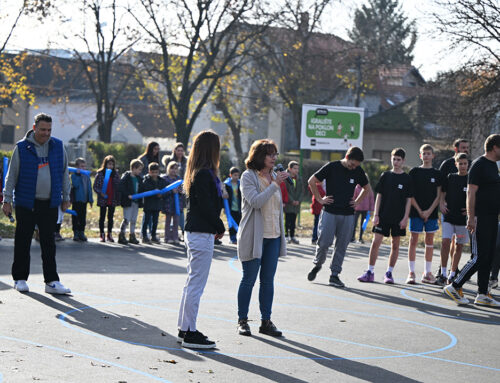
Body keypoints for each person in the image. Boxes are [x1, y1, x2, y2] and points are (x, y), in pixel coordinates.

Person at [2, 113, 71, 294]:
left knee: (49, 243)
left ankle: (52, 281)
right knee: (22, 242)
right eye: (42, 129)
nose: (46, 133)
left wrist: (66, 197)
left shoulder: (57, 146)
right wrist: (7, 199)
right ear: (34, 128)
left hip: (49, 204)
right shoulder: (22, 148)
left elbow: (64, 173)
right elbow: (11, 176)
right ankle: (20, 279)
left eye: (49, 130)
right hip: (26, 203)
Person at [177, 130, 225, 349]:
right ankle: (190, 333)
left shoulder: (197, 172)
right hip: (201, 232)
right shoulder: (204, 174)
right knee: (196, 284)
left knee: (191, 283)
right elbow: (207, 206)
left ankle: (185, 327)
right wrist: (220, 225)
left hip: (195, 232)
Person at [236, 139, 288, 337]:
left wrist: (276, 182)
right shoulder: (248, 177)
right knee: (248, 279)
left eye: (275, 154)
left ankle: (266, 321)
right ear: (259, 155)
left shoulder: (275, 176)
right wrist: (275, 185)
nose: (274, 158)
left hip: (273, 236)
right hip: (254, 236)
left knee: (268, 281)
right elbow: (256, 202)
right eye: (270, 154)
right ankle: (242, 320)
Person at [444, 134, 500, 307]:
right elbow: (471, 193)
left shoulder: (494, 166)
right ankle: (454, 285)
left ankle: (482, 294)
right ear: (495, 147)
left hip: (492, 217)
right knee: (479, 256)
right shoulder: (479, 165)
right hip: (479, 217)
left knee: (488, 257)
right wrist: (471, 217)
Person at [307, 146, 371, 288]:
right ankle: (317, 265)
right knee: (324, 242)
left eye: (356, 166)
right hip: (330, 211)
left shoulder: (358, 171)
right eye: (352, 164)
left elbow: (367, 188)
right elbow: (312, 181)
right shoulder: (332, 167)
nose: (353, 168)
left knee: (341, 245)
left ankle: (334, 275)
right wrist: (320, 199)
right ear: (347, 157)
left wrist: (357, 202)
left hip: (347, 214)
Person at [357, 148, 412, 283]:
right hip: (383, 216)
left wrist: (405, 218)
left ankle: (389, 273)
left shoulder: (407, 179)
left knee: (395, 245)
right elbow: (379, 196)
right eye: (394, 159)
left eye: (399, 159)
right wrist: (376, 215)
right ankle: (370, 271)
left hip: (398, 218)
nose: (396, 162)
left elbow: (409, 200)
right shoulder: (385, 175)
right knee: (376, 242)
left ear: (403, 161)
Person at [407, 144, 443, 284]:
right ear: (420, 155)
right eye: (424, 153)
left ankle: (427, 273)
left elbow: (438, 196)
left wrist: (428, 211)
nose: (426, 156)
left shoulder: (437, 174)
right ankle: (411, 272)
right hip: (416, 212)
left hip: (431, 214)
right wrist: (420, 210)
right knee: (413, 240)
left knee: (429, 241)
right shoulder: (414, 172)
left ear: (433, 156)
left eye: (429, 153)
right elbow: (410, 194)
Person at [437, 138, 470, 279]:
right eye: (460, 164)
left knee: (459, 245)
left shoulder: (470, 179)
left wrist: (470, 210)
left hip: (462, 220)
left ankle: (452, 273)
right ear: (455, 164)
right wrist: (441, 203)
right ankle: (443, 272)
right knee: (445, 242)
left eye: (465, 164)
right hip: (448, 216)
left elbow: (475, 196)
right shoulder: (450, 176)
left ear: (468, 164)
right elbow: (442, 191)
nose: (462, 166)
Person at [163, 142, 188, 239]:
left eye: (182, 150)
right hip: (171, 193)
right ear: (175, 151)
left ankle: (179, 233)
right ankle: (168, 236)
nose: (180, 152)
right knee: (169, 218)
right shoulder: (170, 160)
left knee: (180, 215)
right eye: (178, 150)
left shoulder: (185, 161)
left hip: (181, 190)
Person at [93, 155, 121, 242]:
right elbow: (95, 186)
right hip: (103, 198)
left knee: (110, 217)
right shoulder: (100, 174)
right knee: (102, 217)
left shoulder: (115, 174)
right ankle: (102, 234)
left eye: (112, 165)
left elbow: (118, 185)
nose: (110, 166)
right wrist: (100, 192)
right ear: (105, 164)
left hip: (112, 198)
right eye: (109, 164)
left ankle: (109, 233)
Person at [118, 159, 144, 245]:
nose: (140, 171)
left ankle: (132, 235)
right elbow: (121, 187)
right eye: (139, 169)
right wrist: (127, 195)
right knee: (127, 219)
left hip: (136, 202)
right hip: (128, 202)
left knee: (134, 219)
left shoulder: (139, 178)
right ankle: (121, 235)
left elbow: (142, 188)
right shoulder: (126, 177)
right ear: (133, 168)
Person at [140, 162, 167, 244]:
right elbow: (145, 189)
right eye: (152, 172)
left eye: (156, 172)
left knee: (155, 221)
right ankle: (144, 236)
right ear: (149, 172)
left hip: (157, 204)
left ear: (158, 172)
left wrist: (161, 195)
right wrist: (154, 191)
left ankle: (153, 235)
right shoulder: (146, 180)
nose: (154, 174)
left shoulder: (161, 181)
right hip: (148, 204)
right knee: (146, 221)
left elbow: (164, 190)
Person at [70, 158, 93, 242]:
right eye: (81, 166)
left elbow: (89, 188)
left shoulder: (87, 177)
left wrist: (90, 200)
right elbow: (75, 185)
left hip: (84, 201)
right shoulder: (74, 176)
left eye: (84, 166)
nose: (83, 168)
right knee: (76, 217)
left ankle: (81, 232)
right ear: (77, 167)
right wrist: (78, 175)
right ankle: (75, 232)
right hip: (77, 200)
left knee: (83, 217)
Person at [162, 161, 183, 245]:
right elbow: (163, 191)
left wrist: (179, 191)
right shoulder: (165, 179)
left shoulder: (179, 179)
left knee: (176, 221)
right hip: (168, 203)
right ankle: (167, 237)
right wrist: (171, 191)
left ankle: (175, 237)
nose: (173, 170)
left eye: (175, 169)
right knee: (168, 221)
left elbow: (182, 191)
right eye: (172, 168)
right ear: (168, 169)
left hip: (177, 204)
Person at [284, 161, 302, 244]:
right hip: (288, 203)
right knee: (287, 220)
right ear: (290, 169)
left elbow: (302, 191)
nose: (296, 170)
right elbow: (285, 191)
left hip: (296, 204)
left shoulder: (299, 178)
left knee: (293, 221)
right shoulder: (285, 178)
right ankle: (286, 236)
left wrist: (298, 200)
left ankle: (292, 236)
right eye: (295, 168)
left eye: (297, 169)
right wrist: (292, 200)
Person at [224, 167, 242, 245]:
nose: (236, 177)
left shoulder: (240, 184)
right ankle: (233, 238)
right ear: (230, 175)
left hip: (238, 207)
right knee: (231, 224)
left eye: (238, 175)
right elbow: (224, 196)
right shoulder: (227, 185)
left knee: (239, 222)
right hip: (230, 208)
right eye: (235, 175)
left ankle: (239, 238)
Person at [309, 180, 325, 245]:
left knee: (317, 224)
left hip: (318, 208)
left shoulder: (319, 187)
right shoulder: (318, 187)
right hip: (318, 209)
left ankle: (315, 238)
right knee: (317, 224)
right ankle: (315, 238)